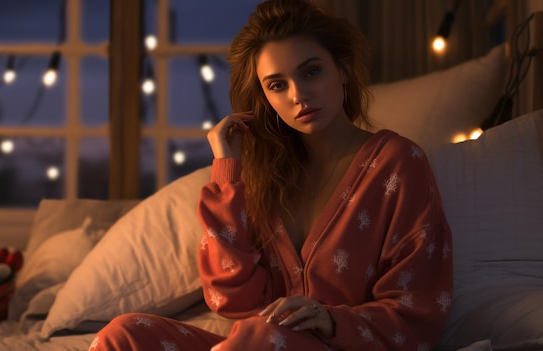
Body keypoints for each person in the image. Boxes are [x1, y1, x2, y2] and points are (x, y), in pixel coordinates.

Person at [89, 0, 453, 350]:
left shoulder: (398, 163)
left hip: (338, 346)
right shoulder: (268, 176)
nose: (299, 95)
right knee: (124, 334)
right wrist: (227, 173)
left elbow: (416, 311)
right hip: (259, 345)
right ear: (265, 97)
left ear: (342, 70)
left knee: (262, 338)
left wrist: (329, 319)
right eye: (277, 85)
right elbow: (232, 300)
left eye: (311, 72)